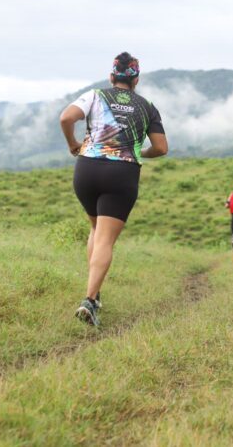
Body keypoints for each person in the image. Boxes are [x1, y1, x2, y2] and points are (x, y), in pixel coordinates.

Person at [59, 52, 168, 327]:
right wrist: (138, 152)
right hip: (122, 173)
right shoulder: (147, 106)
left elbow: (65, 118)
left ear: (111, 77)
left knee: (96, 230)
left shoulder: (95, 95)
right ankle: (89, 299)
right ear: (136, 80)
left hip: (87, 169)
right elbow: (162, 148)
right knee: (105, 239)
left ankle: (94, 295)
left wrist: (73, 144)